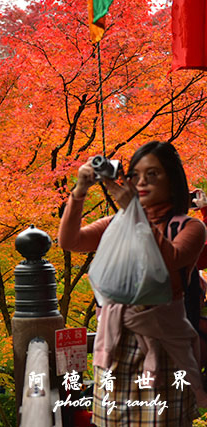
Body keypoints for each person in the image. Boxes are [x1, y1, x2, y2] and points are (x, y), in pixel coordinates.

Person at [59, 141, 207, 426]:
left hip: (162, 347)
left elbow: (168, 260)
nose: (141, 182)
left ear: (173, 180)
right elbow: (70, 241)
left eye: (153, 175)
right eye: (135, 175)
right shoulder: (117, 224)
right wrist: (78, 193)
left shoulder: (190, 227)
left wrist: (132, 211)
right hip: (115, 345)